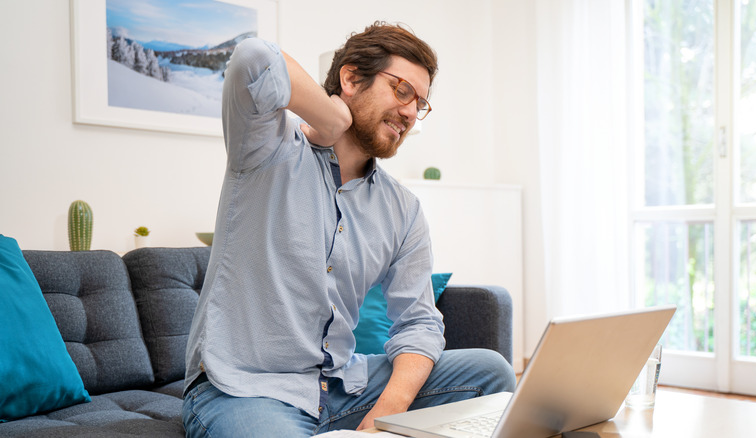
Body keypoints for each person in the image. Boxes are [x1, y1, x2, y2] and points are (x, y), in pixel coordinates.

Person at [182, 21, 516, 437]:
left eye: (421, 103)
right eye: (402, 91)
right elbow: (254, 59)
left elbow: (419, 324)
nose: (412, 112)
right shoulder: (266, 147)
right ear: (351, 78)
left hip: (344, 388)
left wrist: (382, 418)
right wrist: (331, 118)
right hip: (246, 390)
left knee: (490, 372)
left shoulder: (403, 210)